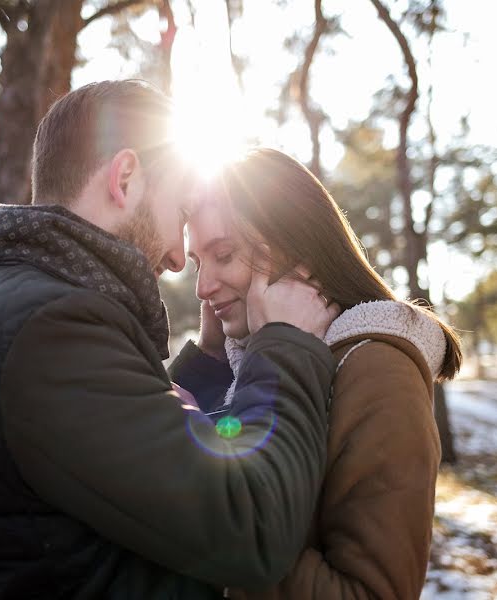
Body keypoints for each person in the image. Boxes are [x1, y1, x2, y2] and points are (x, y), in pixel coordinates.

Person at [0, 81, 341, 599]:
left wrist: (209, 366)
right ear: (124, 178)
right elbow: (253, 527)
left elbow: (120, 461)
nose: (174, 256)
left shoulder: (18, 304)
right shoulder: (51, 329)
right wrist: (287, 345)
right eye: (181, 216)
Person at [175, 147, 463, 599]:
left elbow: (370, 592)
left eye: (224, 254)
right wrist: (211, 361)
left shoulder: (377, 372)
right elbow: (212, 446)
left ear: (297, 248)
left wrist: (217, 524)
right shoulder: (244, 361)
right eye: (198, 263)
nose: (202, 286)